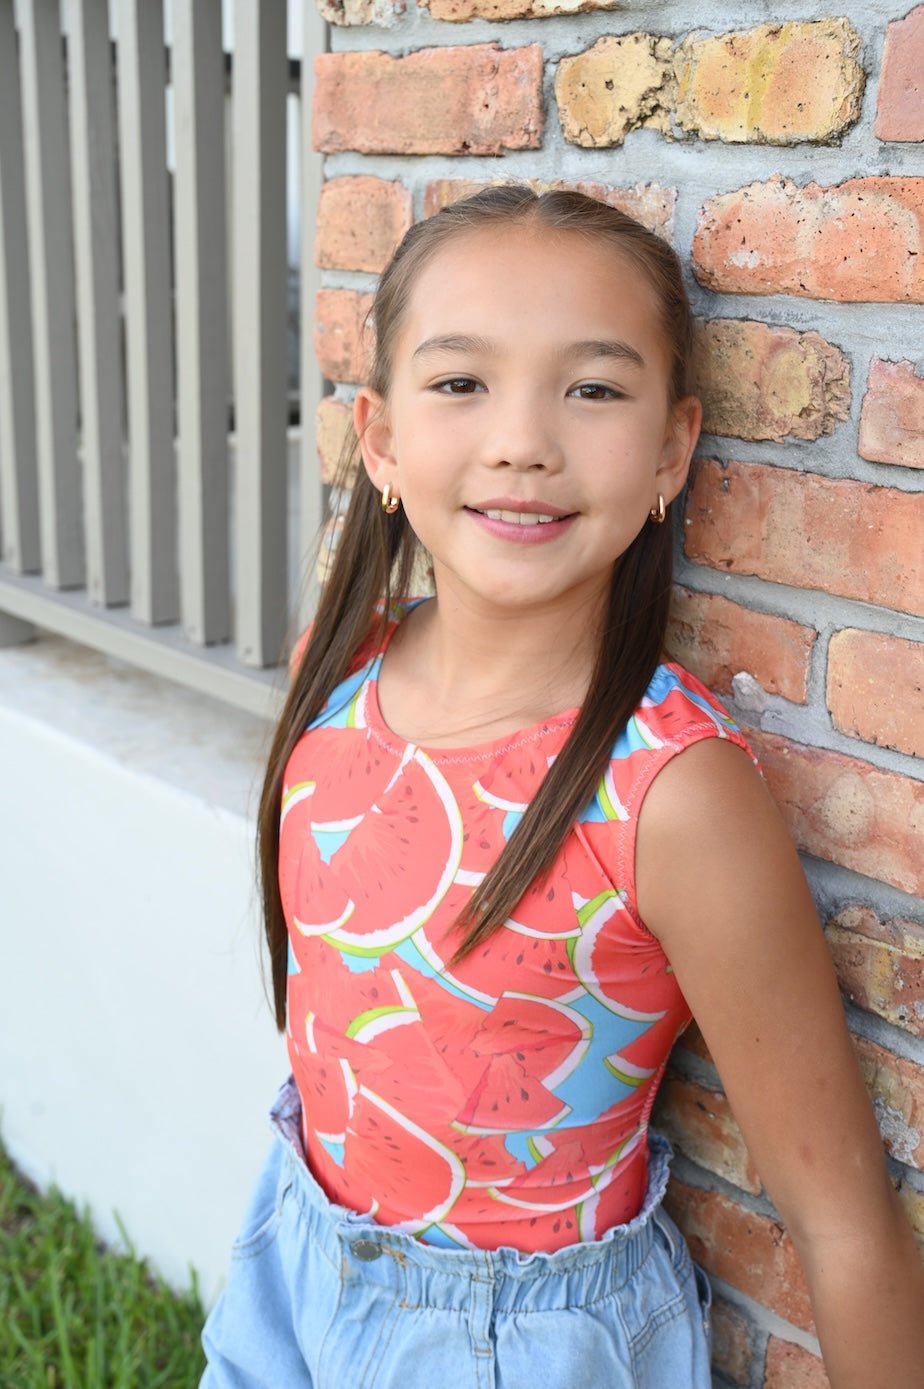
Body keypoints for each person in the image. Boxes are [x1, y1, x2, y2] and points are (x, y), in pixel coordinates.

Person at [201, 186, 924, 1387]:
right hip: (295, 1254)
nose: (522, 439)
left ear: (674, 448)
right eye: (459, 383)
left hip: (510, 1344)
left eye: (593, 389)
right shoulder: (340, 668)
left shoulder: (671, 796)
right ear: (380, 441)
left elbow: (842, 1219)